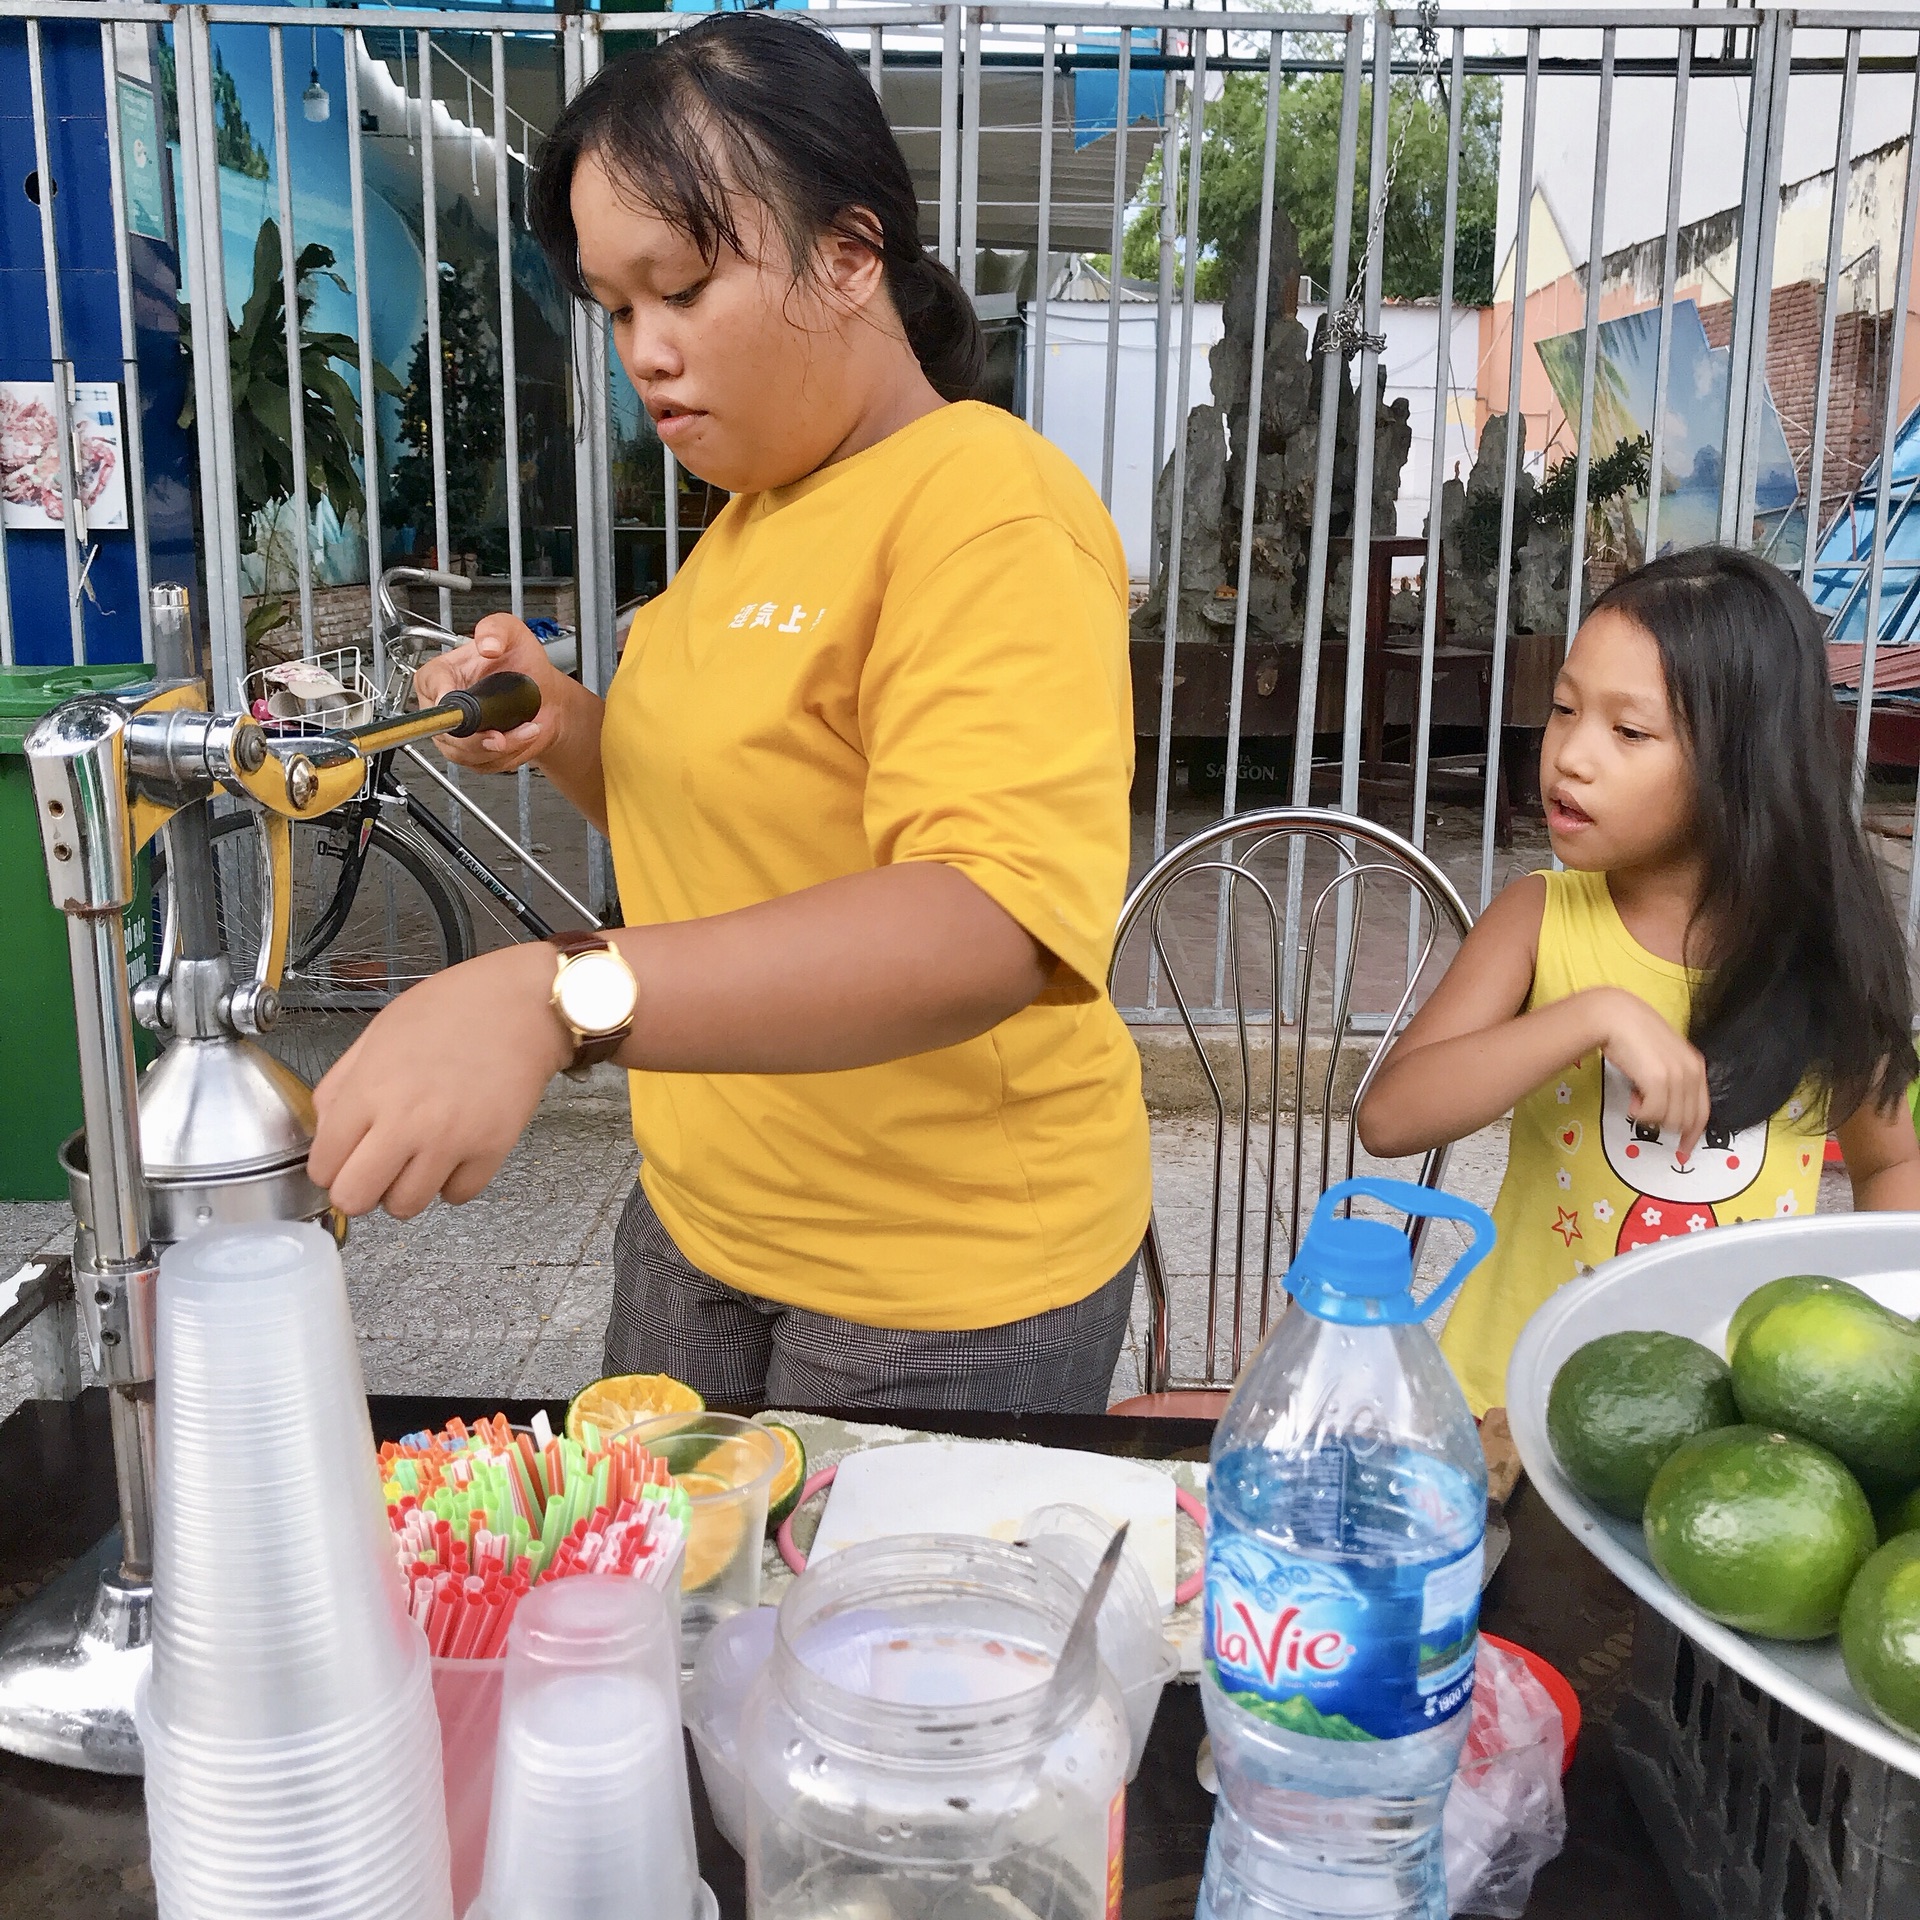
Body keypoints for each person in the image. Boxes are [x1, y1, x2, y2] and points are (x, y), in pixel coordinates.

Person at [308, 12, 1151, 1414]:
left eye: (684, 286)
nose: (645, 349)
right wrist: (567, 723)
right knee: (668, 1620)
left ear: (850, 254)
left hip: (940, 1282)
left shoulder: (981, 504)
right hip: (703, 1219)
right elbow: (728, 815)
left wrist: (553, 997)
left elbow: (986, 922)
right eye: (616, 306)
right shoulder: (752, 516)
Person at [1357, 546, 1920, 1417]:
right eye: (1564, 709)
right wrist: (1591, 1014)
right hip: (1512, 1403)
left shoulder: (1823, 958)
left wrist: (1868, 1338)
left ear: (1744, 763)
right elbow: (1390, 1118)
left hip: (1731, 1429)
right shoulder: (1540, 920)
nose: (1571, 756)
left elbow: (1895, 1160)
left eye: (1629, 732)